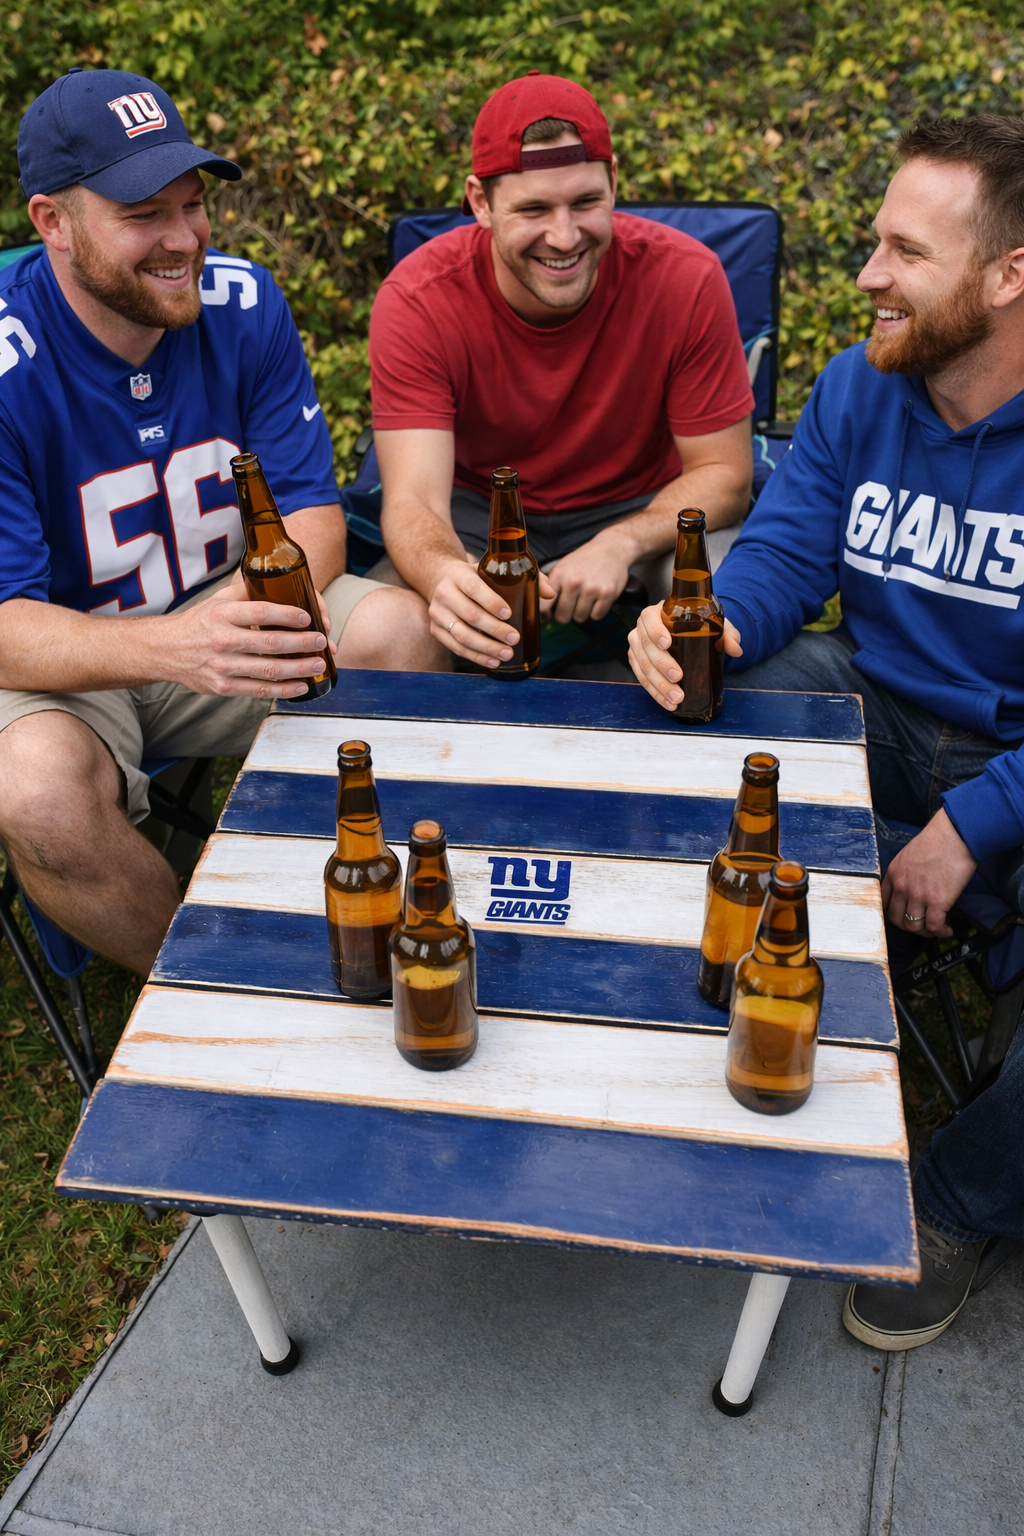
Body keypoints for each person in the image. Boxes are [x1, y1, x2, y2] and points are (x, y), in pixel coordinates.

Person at [627, 114, 1024, 1345]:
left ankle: (954, 1202)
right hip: (883, 706)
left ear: (1007, 276)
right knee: (676, 715)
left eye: (904, 252)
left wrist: (972, 826)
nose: (868, 276)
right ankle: (668, 1014)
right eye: (872, 244)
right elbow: (791, 551)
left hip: (1010, 762)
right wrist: (710, 628)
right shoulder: (866, 382)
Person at [0, 69, 443, 978]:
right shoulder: (11, 361)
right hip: (60, 654)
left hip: (216, 604)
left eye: (194, 206)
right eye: (144, 215)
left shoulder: (244, 304)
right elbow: (6, 630)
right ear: (53, 222)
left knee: (400, 629)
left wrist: (240, 619)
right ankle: (220, 981)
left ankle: (370, 890)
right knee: (37, 791)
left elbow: (313, 514)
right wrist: (177, 646)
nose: (184, 240)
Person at [368, 71, 755, 672]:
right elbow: (415, 501)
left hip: (640, 504)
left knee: (726, 591)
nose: (565, 236)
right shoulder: (418, 298)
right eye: (533, 209)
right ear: (480, 202)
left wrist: (621, 542)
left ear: (614, 183)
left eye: (585, 202)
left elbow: (725, 474)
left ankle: (704, 749)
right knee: (388, 624)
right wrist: (448, 573)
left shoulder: (686, 278)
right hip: (480, 517)